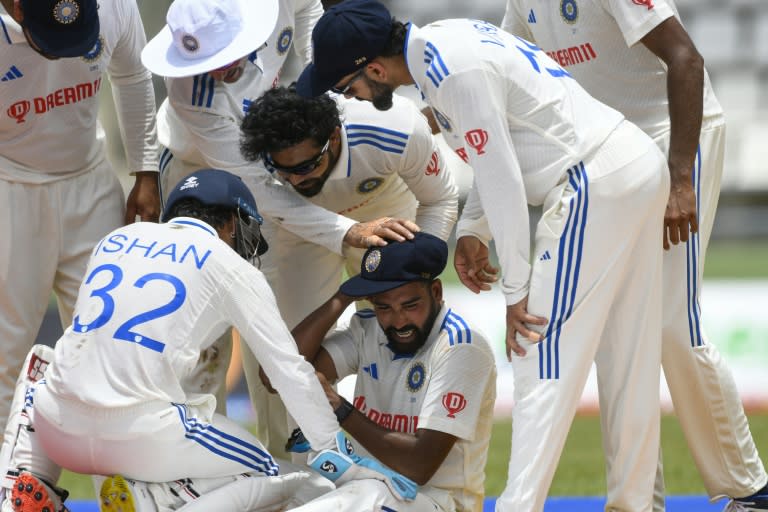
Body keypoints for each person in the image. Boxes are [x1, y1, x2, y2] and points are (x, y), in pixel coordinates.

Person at [295, 0, 673, 510]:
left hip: (592, 178)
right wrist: (473, 227)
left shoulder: (450, 72)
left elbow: (501, 176)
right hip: (631, 165)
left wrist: (516, 291)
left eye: (349, 87)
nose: (352, 97)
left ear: (376, 68)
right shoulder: (446, 42)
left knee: (538, 349)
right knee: (628, 352)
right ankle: (636, 504)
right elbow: (502, 150)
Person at [0, 169, 418, 512]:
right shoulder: (230, 266)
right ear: (232, 222)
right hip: (137, 437)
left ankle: (25, 484)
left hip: (55, 428)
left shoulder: (115, 240)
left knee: (43, 362)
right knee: (266, 473)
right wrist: (338, 454)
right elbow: (288, 370)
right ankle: (155, 498)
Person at [500, 2, 768, 510]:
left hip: (676, 136)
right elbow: (508, 64)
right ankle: (641, 500)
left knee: (671, 324)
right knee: (621, 332)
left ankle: (749, 488)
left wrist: (681, 178)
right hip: (610, 153)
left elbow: (687, 59)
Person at [139, 0, 436, 457]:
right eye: (204, 65)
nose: (216, 72)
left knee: (276, 321)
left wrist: (322, 88)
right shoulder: (189, 95)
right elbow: (263, 192)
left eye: (223, 59)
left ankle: (294, 456)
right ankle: (194, 465)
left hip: (275, 153)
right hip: (198, 172)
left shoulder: (275, 4)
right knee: (201, 339)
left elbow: (310, 13)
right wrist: (346, 231)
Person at [0, 0, 160, 448]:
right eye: (53, 46)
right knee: (4, 356)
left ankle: (123, 485)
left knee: (111, 347)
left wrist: (146, 172)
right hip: (9, 182)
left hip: (89, 178)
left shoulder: (112, 5)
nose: (66, 57)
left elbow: (131, 74)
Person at [281, 232, 496, 512]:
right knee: (280, 484)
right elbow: (277, 376)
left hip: (438, 503)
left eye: (410, 305)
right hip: (365, 486)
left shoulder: (461, 345)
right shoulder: (367, 328)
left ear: (436, 293)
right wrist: (343, 296)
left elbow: (419, 466)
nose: (398, 321)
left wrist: (339, 408)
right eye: (384, 307)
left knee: (370, 494)